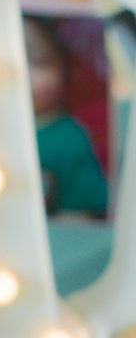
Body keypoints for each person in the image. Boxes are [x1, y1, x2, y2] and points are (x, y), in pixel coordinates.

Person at [24, 14, 108, 218]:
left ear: (66, 70)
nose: (21, 74)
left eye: (37, 62)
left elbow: (85, 214)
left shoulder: (68, 139)